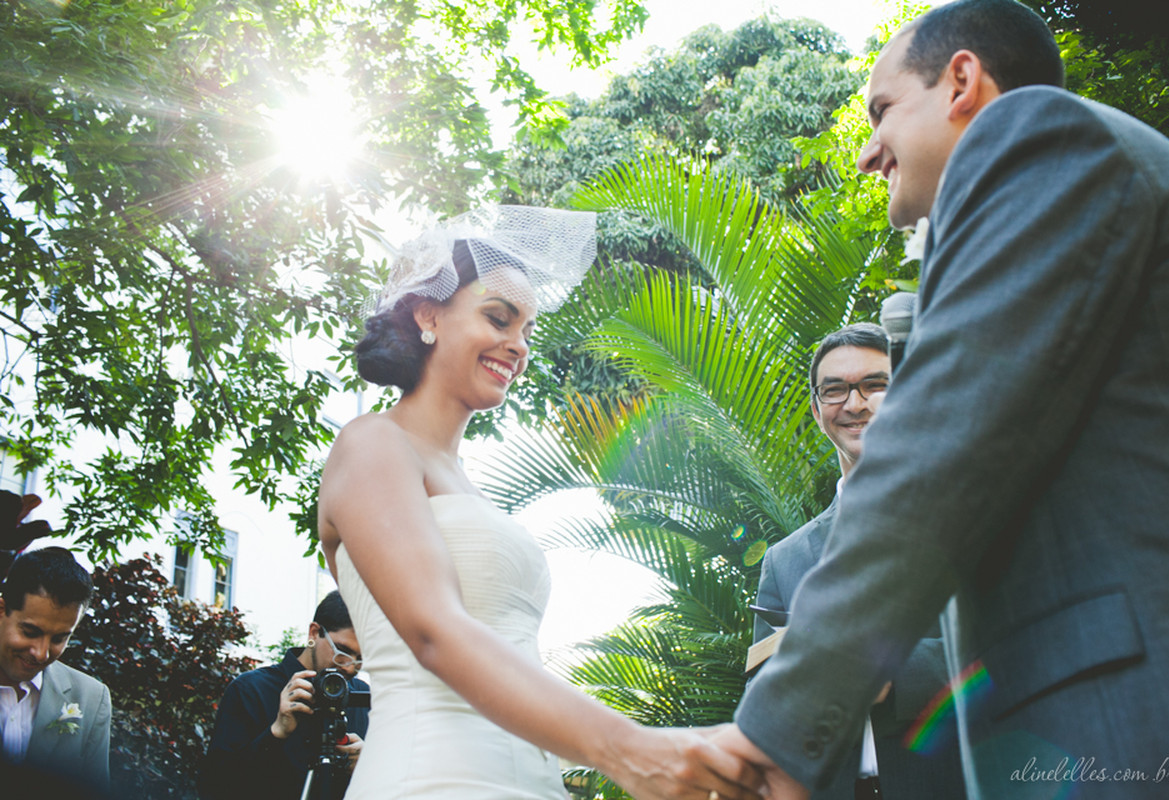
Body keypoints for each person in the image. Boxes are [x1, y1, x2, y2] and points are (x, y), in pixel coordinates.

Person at [711, 0, 1169, 797]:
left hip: (1127, 709)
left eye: (882, 111)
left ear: (963, 80)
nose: (869, 152)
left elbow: (936, 452)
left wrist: (772, 735)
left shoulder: (1039, 135)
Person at [318, 205, 764, 799]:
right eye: (498, 318)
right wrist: (629, 749)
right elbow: (431, 631)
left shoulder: (464, 484)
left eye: (527, 328)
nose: (516, 345)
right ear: (428, 315)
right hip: (431, 779)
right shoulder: (372, 441)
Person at [752, 323, 965, 800]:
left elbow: (1008, 650)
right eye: (835, 390)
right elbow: (760, 702)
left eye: (874, 385)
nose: (854, 404)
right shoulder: (783, 562)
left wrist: (890, 678)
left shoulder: (968, 523)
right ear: (816, 408)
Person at [200, 590, 368, 800]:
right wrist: (276, 733)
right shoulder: (251, 690)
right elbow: (216, 788)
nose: (350, 667)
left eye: (360, 658)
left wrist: (370, 771)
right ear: (314, 633)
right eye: (342, 651)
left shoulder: (362, 697)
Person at [0, 546, 111, 789]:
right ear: (1, 611)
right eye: (30, 632)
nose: (41, 653)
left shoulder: (91, 698)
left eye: (59, 638)